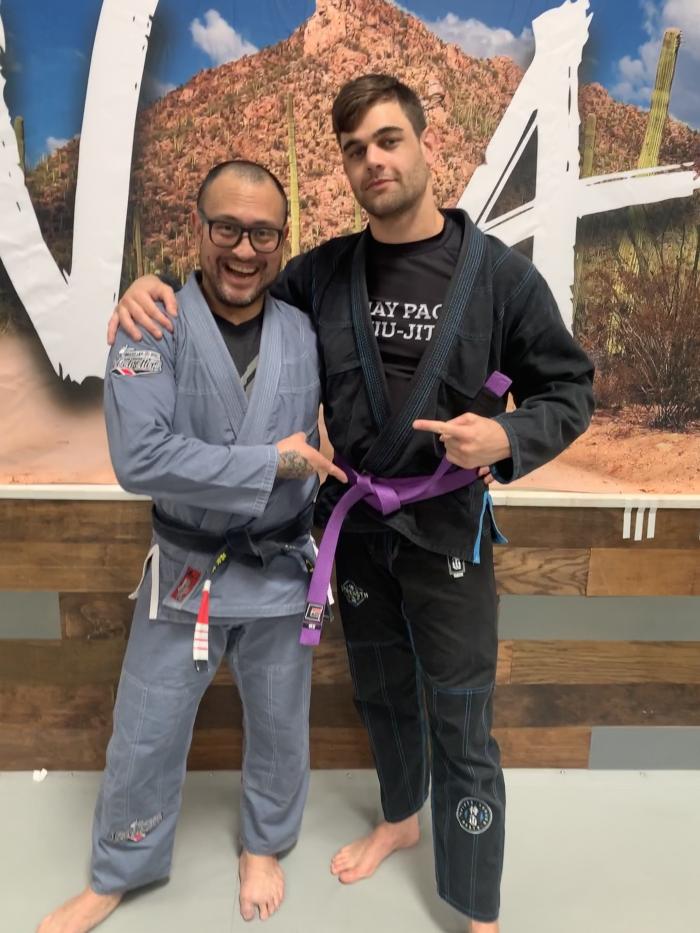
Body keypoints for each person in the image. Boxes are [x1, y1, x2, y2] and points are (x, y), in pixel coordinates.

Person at [108, 75, 595, 932]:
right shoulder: (323, 273)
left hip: (447, 527)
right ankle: (401, 819)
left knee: (461, 713)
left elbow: (570, 387)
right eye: (355, 149)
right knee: (381, 690)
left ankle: (476, 906)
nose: (373, 159)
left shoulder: (500, 278)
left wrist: (507, 436)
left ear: (425, 143)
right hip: (356, 526)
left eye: (388, 140)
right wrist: (146, 290)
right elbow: (234, 290)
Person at [37, 160, 346, 933]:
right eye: (227, 228)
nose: (244, 249)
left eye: (263, 234)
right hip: (186, 573)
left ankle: (264, 844)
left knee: (280, 722)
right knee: (145, 725)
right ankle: (119, 866)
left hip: (281, 572)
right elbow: (140, 458)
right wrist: (269, 461)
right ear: (197, 229)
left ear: (283, 242)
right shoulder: (150, 324)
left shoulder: (305, 331)